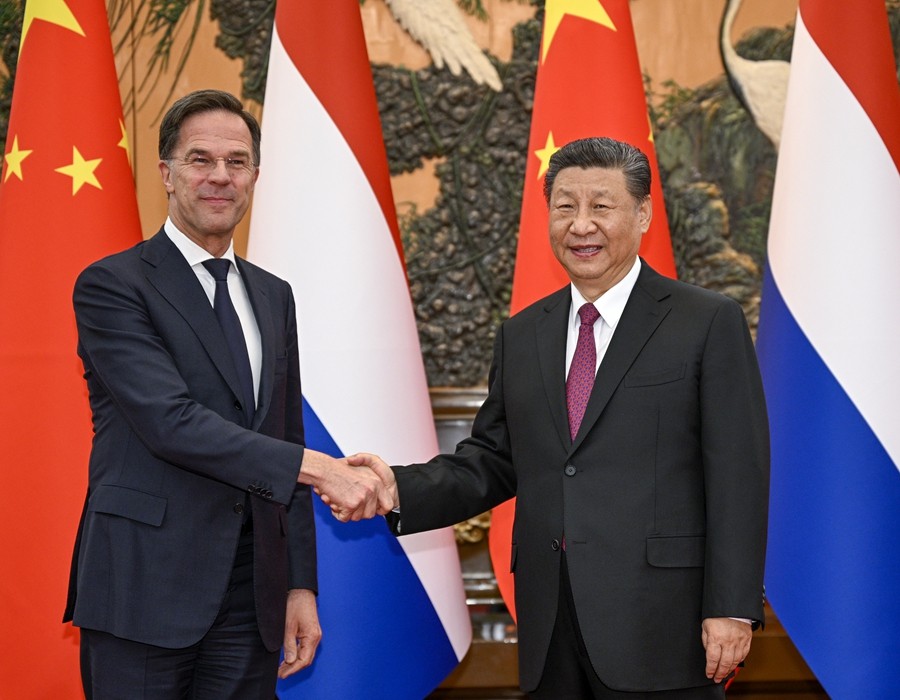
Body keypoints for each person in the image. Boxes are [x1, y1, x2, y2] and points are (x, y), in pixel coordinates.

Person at [342, 137, 770, 698]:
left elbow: (738, 473)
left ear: (642, 214)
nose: (581, 224)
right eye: (565, 206)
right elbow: (493, 460)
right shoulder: (522, 334)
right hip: (550, 624)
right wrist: (396, 488)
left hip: (664, 623)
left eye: (601, 206)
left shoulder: (707, 321)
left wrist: (732, 607)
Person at [63, 89, 392, 699]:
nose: (220, 176)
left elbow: (284, 432)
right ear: (166, 173)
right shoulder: (113, 285)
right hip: (143, 584)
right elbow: (170, 422)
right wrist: (321, 469)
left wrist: (298, 584)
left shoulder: (273, 295)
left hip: (250, 594)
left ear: (255, 177)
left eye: (237, 161)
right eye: (200, 159)